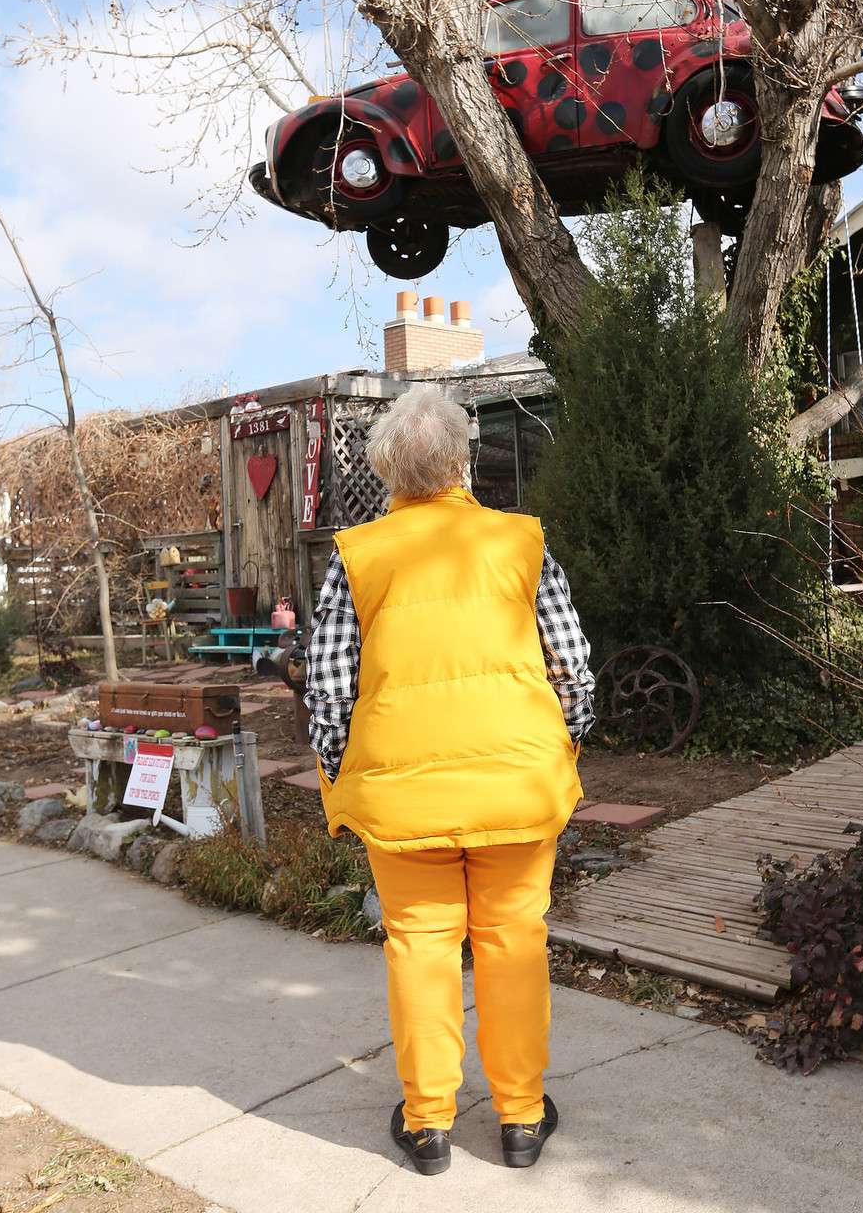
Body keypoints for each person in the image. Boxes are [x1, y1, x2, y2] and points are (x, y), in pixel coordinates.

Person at [305, 384, 594, 1176]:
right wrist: (562, 746)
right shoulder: (521, 542)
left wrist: (344, 772)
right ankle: (521, 1120)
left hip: (403, 795)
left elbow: (329, 688)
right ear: (464, 462)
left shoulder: (358, 557)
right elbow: (571, 669)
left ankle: (429, 1126)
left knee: (421, 948)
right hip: (516, 788)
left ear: (387, 474)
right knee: (513, 944)